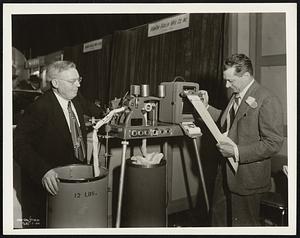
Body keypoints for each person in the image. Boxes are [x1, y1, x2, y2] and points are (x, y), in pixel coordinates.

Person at [13, 60, 106, 227]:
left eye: (79, 79)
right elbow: (17, 144)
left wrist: (114, 112)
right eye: (72, 81)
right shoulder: (39, 108)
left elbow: (96, 111)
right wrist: (43, 171)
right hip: (48, 188)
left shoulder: (76, 99)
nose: (78, 85)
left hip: (73, 182)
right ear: (55, 83)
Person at [199, 54, 284, 226]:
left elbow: (274, 143)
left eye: (231, 81)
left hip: (248, 178)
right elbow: (227, 121)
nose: (226, 85)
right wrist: (204, 107)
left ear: (245, 76)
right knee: (218, 220)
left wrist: (237, 151)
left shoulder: (267, 99)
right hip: (225, 172)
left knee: (243, 225)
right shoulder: (237, 94)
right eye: (226, 80)